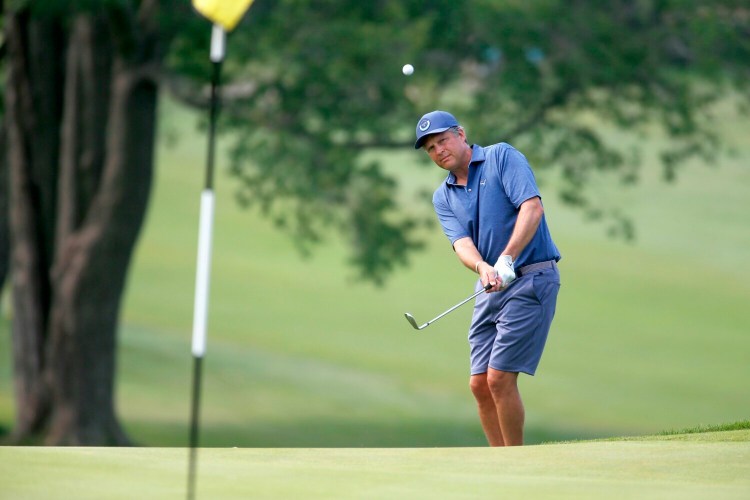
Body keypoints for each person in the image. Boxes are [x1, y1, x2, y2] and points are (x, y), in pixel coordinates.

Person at [414, 110, 561, 446]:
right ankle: (498, 463)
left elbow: (532, 208)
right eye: (431, 148)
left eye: (443, 140)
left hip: (532, 277)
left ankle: (515, 463)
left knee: (498, 378)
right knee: (479, 383)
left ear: (461, 134)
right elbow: (462, 244)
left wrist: (507, 257)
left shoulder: (501, 157)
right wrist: (483, 268)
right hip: (490, 286)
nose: (439, 150)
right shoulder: (443, 196)